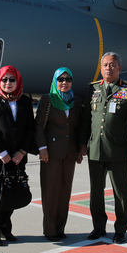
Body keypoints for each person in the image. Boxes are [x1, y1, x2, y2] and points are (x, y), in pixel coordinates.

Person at [80, 52, 127, 244]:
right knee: (96, 192)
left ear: (119, 68)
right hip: (95, 149)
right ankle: (98, 227)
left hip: (118, 150)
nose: (109, 68)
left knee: (121, 192)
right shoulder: (92, 89)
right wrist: (83, 144)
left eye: (112, 65)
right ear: (101, 68)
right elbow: (86, 121)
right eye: (105, 65)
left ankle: (121, 229)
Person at [0, 65, 35, 247]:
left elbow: (30, 129)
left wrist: (22, 151)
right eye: (4, 79)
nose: (8, 83)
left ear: (18, 81)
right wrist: (2, 152)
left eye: (12, 79)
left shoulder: (25, 101)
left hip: (18, 156)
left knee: (12, 191)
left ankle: (6, 228)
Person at [34, 67, 83, 242]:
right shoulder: (48, 100)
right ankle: (50, 230)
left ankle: (60, 228)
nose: (64, 82)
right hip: (51, 153)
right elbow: (39, 125)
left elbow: (77, 128)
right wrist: (42, 148)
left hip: (69, 153)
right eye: (60, 79)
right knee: (51, 192)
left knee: (64, 192)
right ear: (55, 81)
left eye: (68, 79)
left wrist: (79, 149)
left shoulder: (75, 101)